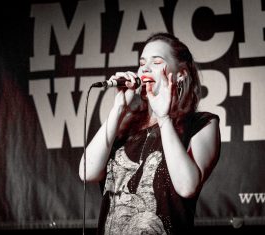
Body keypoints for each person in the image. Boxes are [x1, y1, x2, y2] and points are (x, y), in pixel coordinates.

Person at [79, 32, 221, 235]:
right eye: (142, 62)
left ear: (181, 73)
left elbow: (187, 187)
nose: (145, 68)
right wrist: (119, 108)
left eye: (156, 61)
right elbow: (87, 172)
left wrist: (164, 118)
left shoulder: (201, 124)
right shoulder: (127, 126)